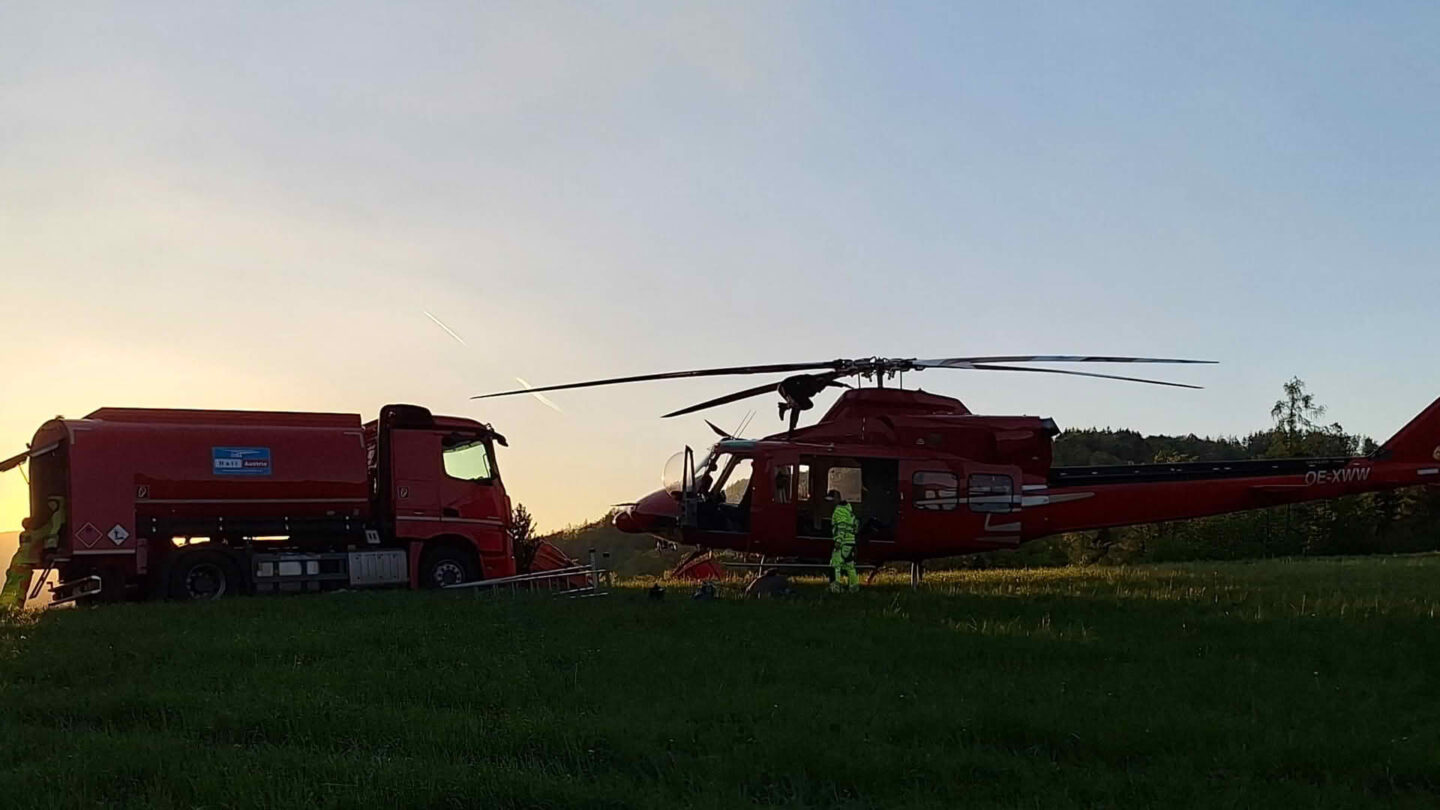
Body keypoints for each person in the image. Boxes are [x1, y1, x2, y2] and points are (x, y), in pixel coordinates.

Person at [825, 489, 859, 593]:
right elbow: (855, 526)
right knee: (850, 566)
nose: (830, 502)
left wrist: (838, 540)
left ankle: (835, 588)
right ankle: (854, 588)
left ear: (838, 499)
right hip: (850, 542)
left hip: (843, 542)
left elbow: (841, 526)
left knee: (835, 564)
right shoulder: (849, 510)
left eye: (832, 499)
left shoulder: (839, 511)